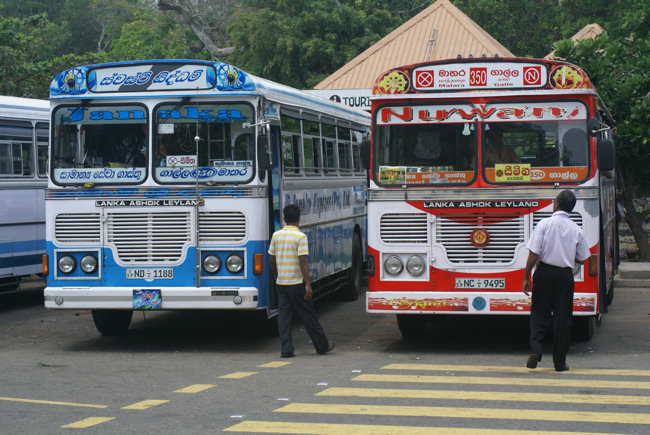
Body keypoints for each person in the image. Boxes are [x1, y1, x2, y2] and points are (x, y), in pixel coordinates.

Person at [522, 190, 590, 371]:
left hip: (544, 272)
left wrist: (526, 276)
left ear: (557, 204)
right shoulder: (577, 229)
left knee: (539, 312)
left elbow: (533, 253)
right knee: (563, 318)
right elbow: (583, 259)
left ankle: (536, 350)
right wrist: (567, 254)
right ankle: (559, 362)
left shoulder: (544, 224)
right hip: (564, 276)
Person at [268, 204, 334, 358]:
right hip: (297, 284)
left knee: (283, 317)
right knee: (308, 316)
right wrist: (308, 284)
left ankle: (286, 350)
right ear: (299, 219)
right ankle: (322, 346)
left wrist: (276, 275)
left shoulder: (276, 236)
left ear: (284, 219)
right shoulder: (300, 237)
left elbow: (271, 260)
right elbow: (303, 260)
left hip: (282, 284)